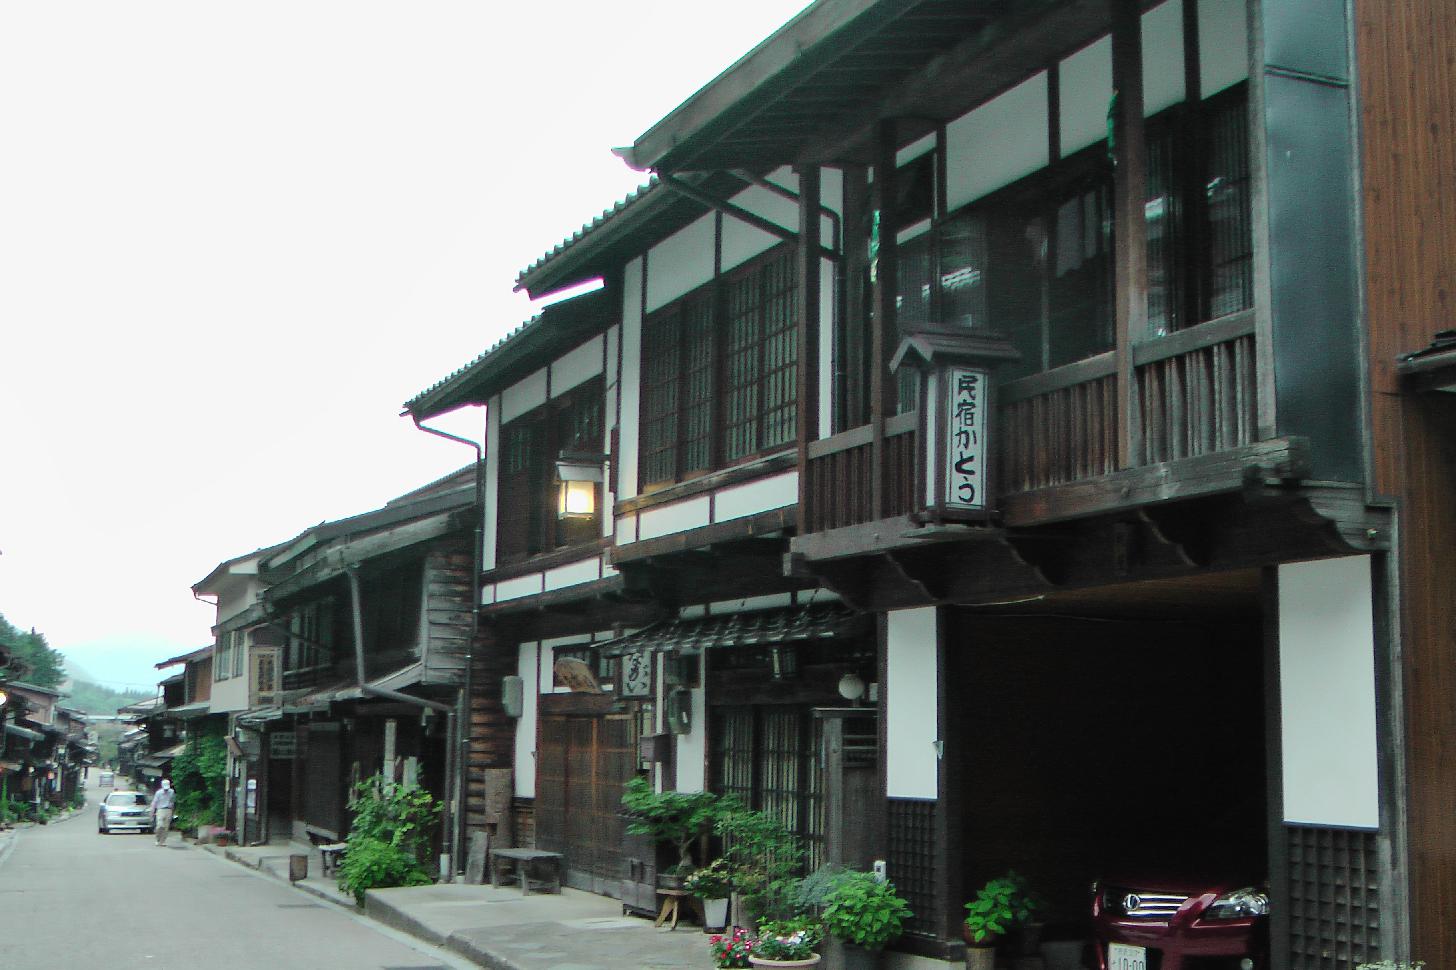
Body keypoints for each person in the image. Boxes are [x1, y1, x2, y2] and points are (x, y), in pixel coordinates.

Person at [151, 778, 176, 846]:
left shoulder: (171, 792)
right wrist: (152, 811)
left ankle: (163, 841)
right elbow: (154, 802)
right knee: (160, 825)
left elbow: (173, 802)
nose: (166, 790)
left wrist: (173, 812)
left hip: (168, 810)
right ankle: (157, 839)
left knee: (166, 827)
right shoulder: (158, 793)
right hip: (160, 810)